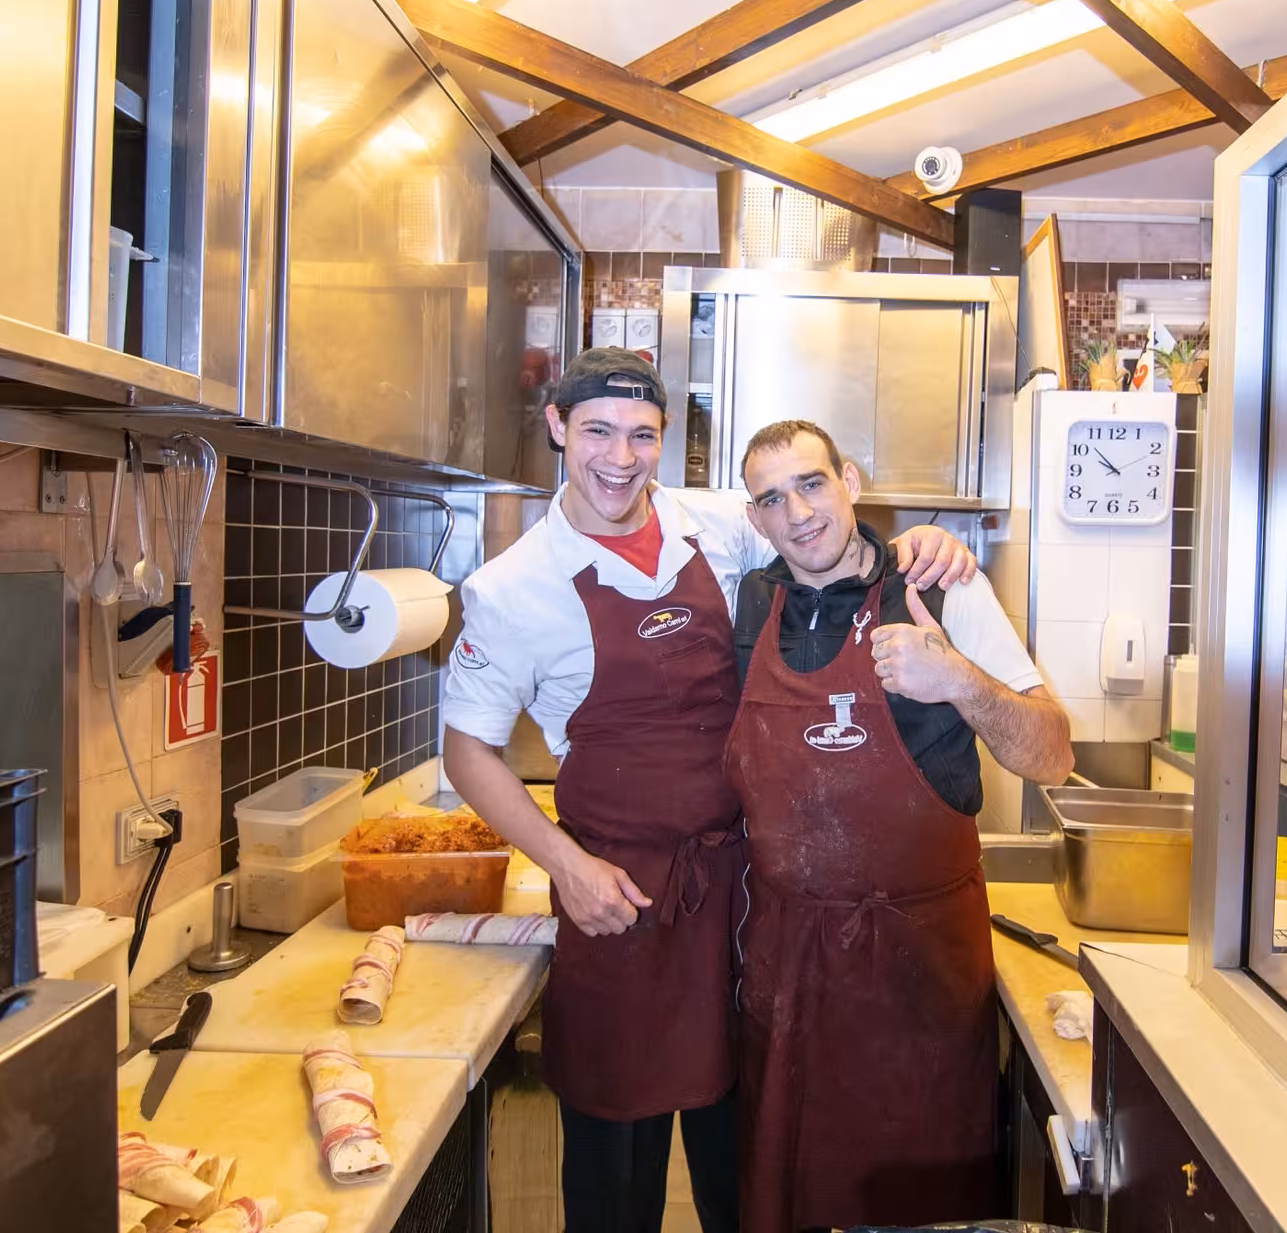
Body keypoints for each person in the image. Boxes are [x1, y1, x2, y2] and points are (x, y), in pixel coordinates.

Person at [440, 351, 978, 1233]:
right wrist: (565, 865)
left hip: (739, 896)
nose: (621, 456)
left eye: (642, 435)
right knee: (617, 1184)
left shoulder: (718, 526)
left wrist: (925, 544)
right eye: (598, 432)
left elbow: (824, 534)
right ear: (556, 429)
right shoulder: (510, 589)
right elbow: (467, 753)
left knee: (746, 1166)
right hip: (620, 906)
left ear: (664, 442)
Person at [725, 418, 1075, 1233]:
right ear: (754, 520)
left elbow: (1052, 754)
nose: (799, 513)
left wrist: (958, 680)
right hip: (790, 966)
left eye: (812, 483)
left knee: (919, 1204)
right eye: (772, 499)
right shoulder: (750, 600)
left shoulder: (941, 587)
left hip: (918, 974)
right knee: (789, 1195)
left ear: (849, 478)